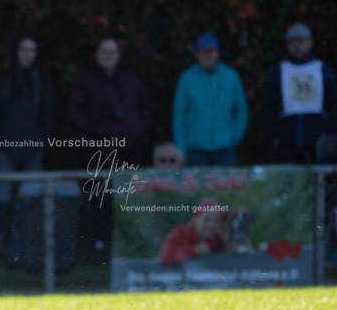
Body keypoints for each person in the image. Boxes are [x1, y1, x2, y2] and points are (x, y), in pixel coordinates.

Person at [68, 37, 152, 259]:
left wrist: (137, 130)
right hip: (99, 151)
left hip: (130, 149)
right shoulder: (85, 80)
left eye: (112, 51)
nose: (108, 56)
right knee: (101, 201)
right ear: (96, 55)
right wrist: (97, 131)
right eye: (103, 52)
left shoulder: (130, 79)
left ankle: (132, 245)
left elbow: (146, 108)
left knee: (130, 199)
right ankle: (101, 247)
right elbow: (75, 112)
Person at [0, 35, 55, 267]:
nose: (27, 55)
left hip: (32, 154)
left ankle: (22, 257)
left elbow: (48, 118)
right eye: (23, 50)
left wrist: (41, 145)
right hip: (5, 154)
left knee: (28, 208)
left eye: (32, 50)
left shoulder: (41, 82)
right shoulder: (1, 82)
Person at [262, 23, 337, 164]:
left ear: (310, 43)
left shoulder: (322, 70)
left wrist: (328, 131)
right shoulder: (278, 71)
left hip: (317, 139)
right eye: (293, 43)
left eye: (301, 42)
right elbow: (268, 106)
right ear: (287, 45)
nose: (297, 47)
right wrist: (274, 135)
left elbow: (333, 103)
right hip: (287, 140)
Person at [171, 33, 248, 166]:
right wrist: (181, 147)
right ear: (196, 54)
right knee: (198, 186)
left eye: (212, 51)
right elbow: (179, 115)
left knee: (227, 186)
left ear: (218, 52)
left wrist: (236, 136)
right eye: (204, 51)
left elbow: (241, 109)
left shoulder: (230, 75)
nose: (209, 55)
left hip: (225, 147)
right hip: (195, 149)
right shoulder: (187, 78)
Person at [159, 198, 227, 264]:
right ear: (196, 218)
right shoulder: (181, 233)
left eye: (216, 221)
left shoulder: (219, 241)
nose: (211, 225)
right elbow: (165, 256)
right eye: (206, 219)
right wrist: (194, 250)